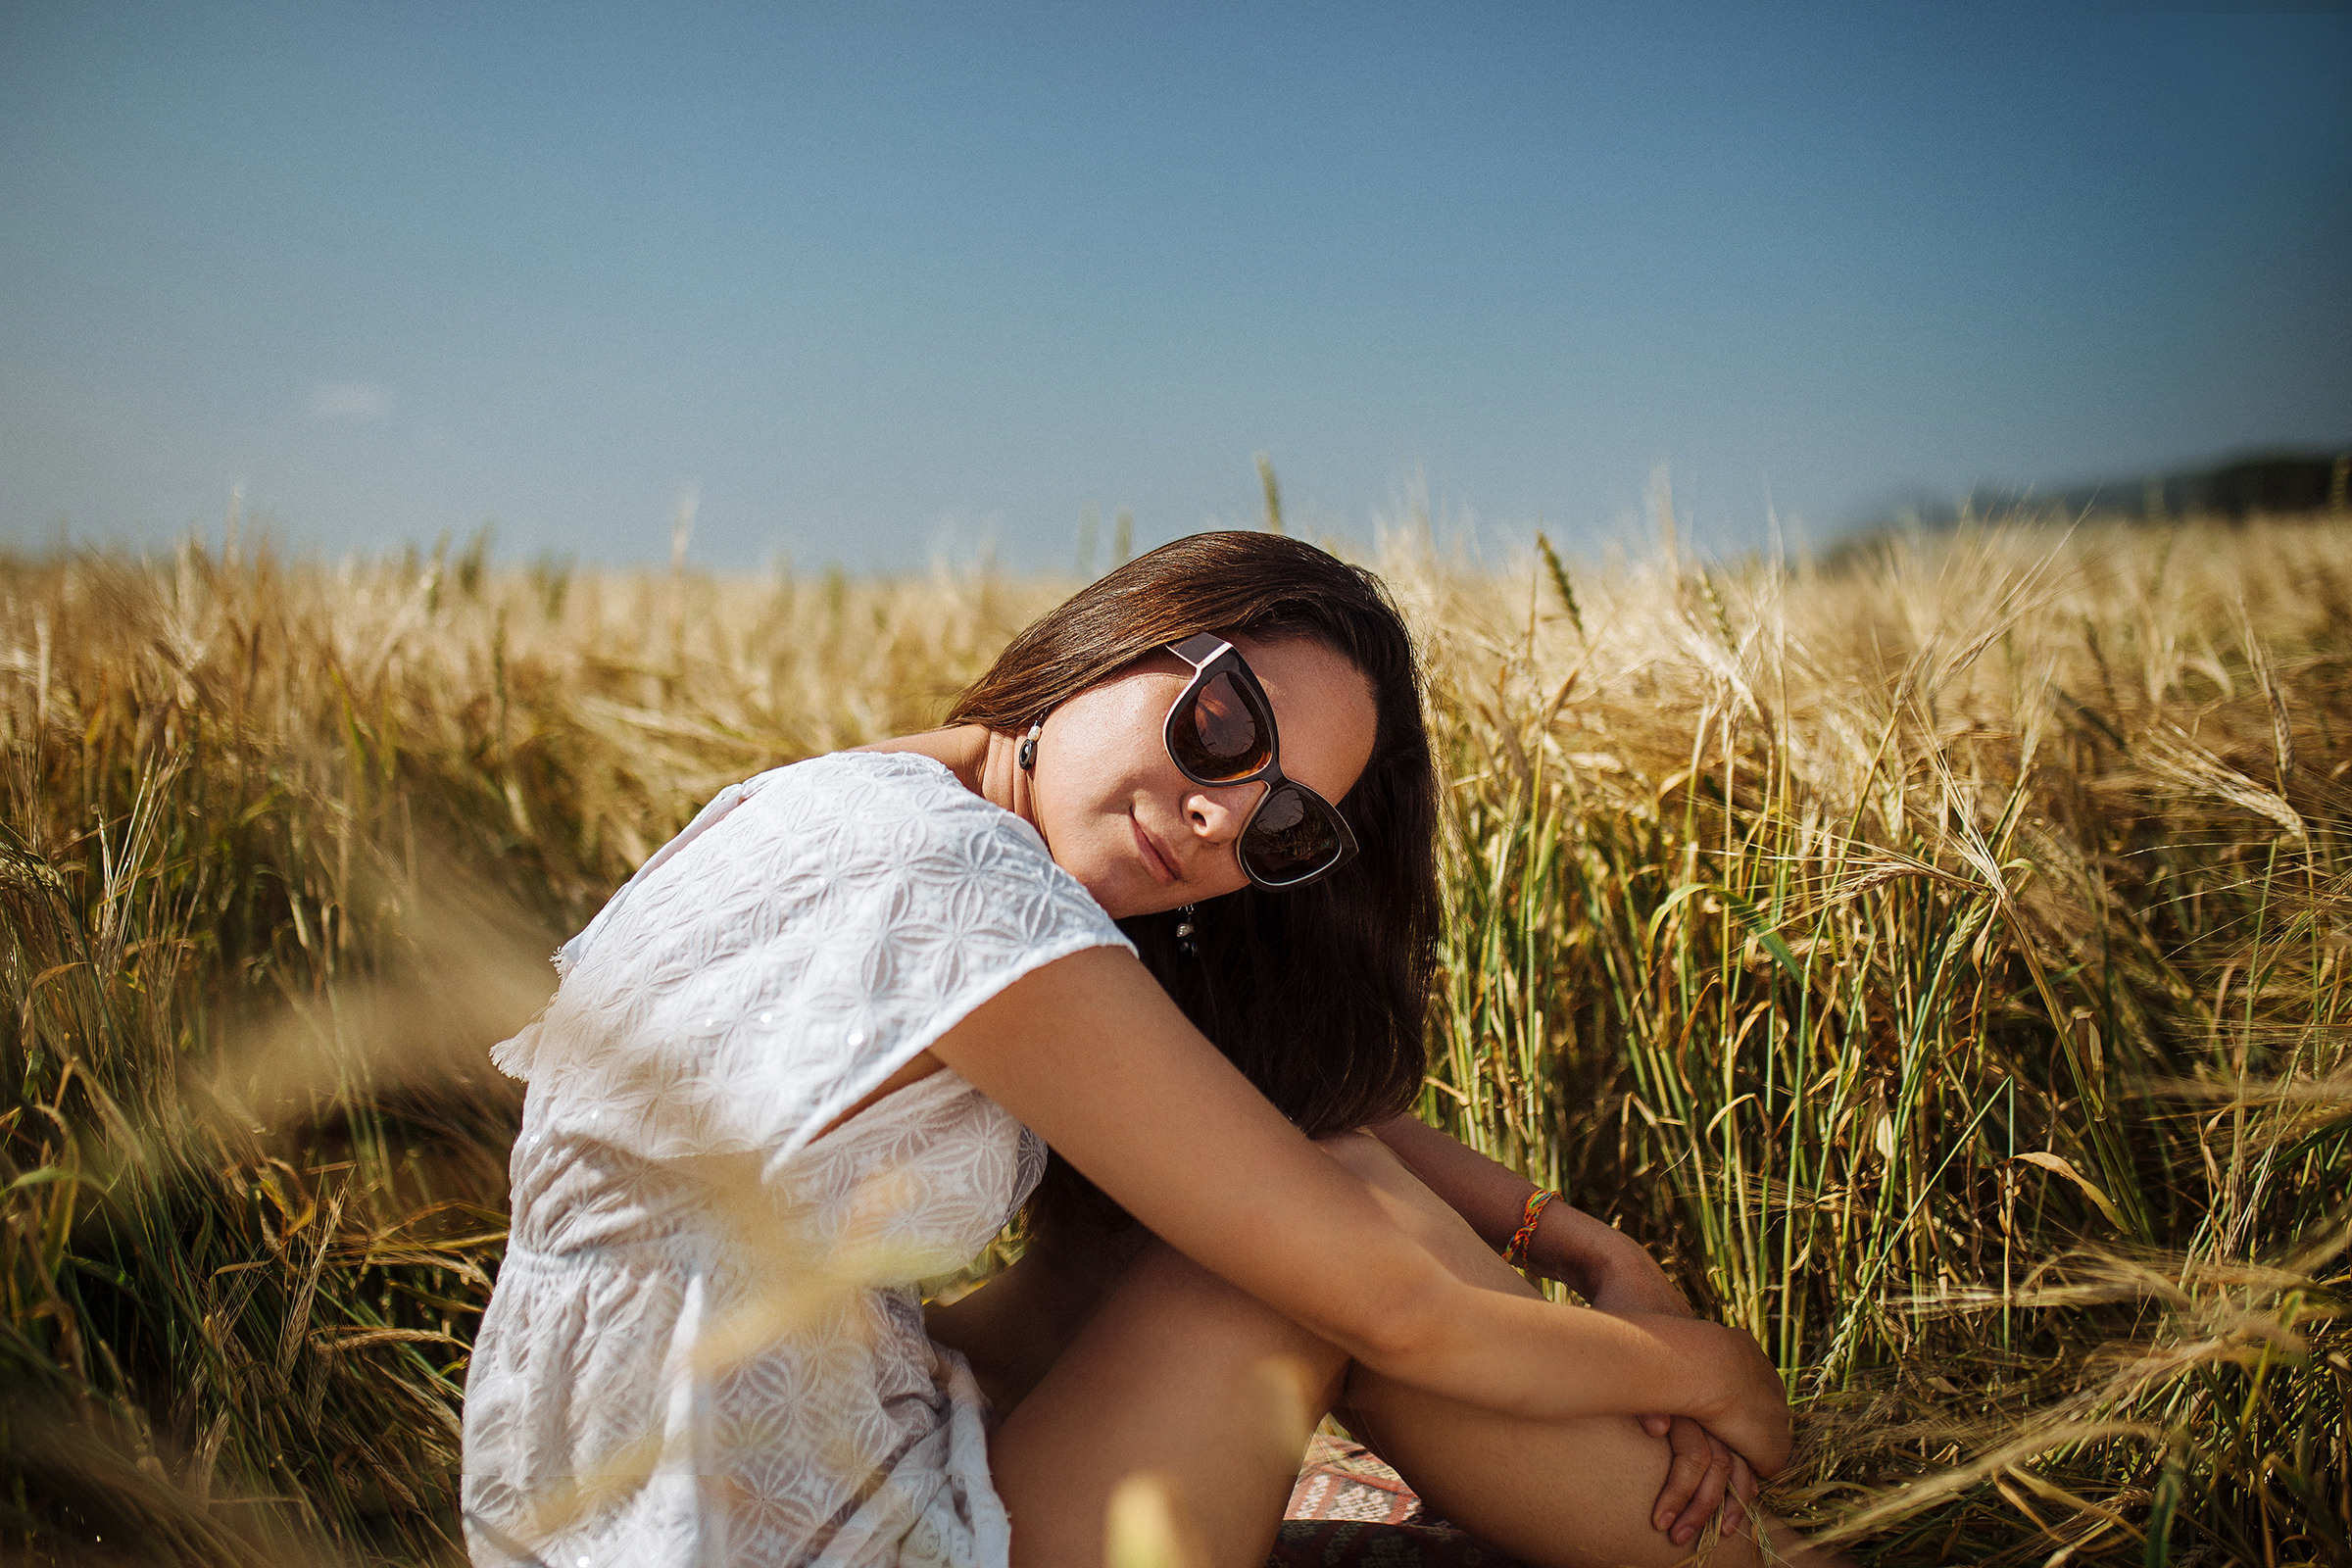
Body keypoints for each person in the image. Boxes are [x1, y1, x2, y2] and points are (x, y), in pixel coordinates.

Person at [461, 531, 1844, 1568]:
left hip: (657, 1491)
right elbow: (1388, 1302)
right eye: (1223, 722)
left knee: (1291, 1201)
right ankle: (1722, 1544)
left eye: (1280, 824)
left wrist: (1574, 1240)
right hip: (734, 1539)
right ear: (1125, 635)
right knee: (1302, 1279)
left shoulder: (869, 807)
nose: (1218, 818)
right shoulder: (948, 887)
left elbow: (1276, 1118)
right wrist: (1707, 1371)